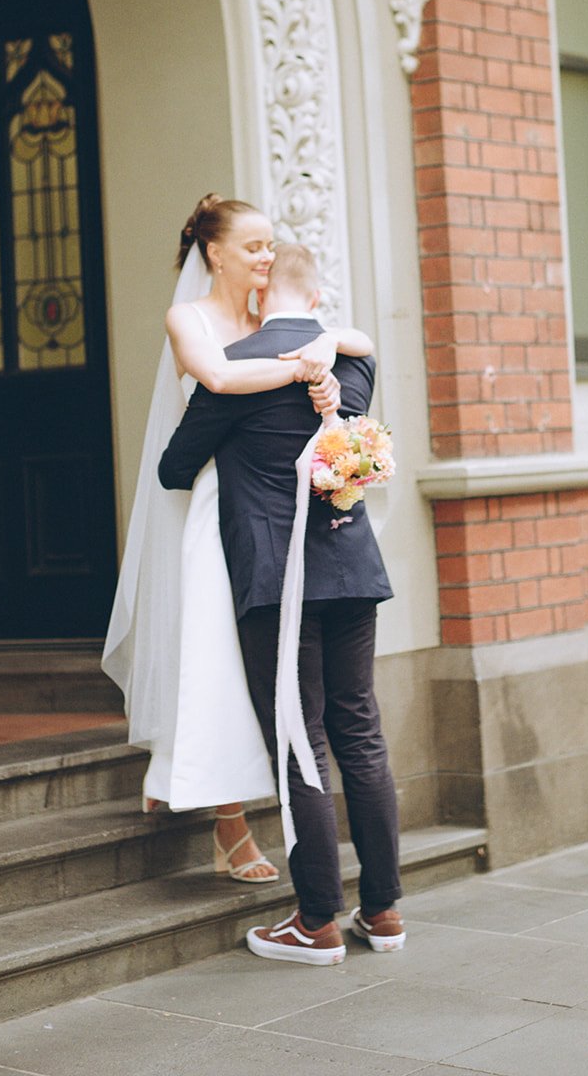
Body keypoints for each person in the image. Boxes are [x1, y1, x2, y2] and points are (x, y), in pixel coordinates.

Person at [101, 195, 371, 884]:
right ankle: (228, 820)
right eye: (253, 246)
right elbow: (219, 378)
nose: (266, 257)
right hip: (215, 505)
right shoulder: (187, 318)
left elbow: (356, 341)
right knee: (216, 655)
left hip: (277, 517)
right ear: (214, 252)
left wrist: (322, 341)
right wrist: (305, 365)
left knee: (270, 677)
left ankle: (254, 816)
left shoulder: (267, 316)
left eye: (270, 246)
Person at [158, 240, 405, 965]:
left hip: (278, 578)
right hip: (354, 566)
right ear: (319, 298)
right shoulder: (350, 363)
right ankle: (384, 911)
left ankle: (316, 920)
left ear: (262, 297)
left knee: (302, 739)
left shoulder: (238, 371)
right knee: (359, 728)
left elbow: (175, 467)